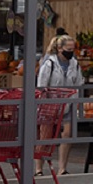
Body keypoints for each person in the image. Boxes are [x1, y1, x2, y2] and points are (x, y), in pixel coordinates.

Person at [37, 34, 85, 175]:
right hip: (50, 104)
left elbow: (78, 83)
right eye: (68, 48)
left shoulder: (74, 64)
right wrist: (44, 103)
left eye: (72, 49)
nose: (71, 51)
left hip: (68, 104)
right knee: (45, 136)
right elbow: (42, 85)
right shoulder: (49, 64)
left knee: (67, 134)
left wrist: (75, 101)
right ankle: (39, 168)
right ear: (59, 48)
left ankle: (62, 168)